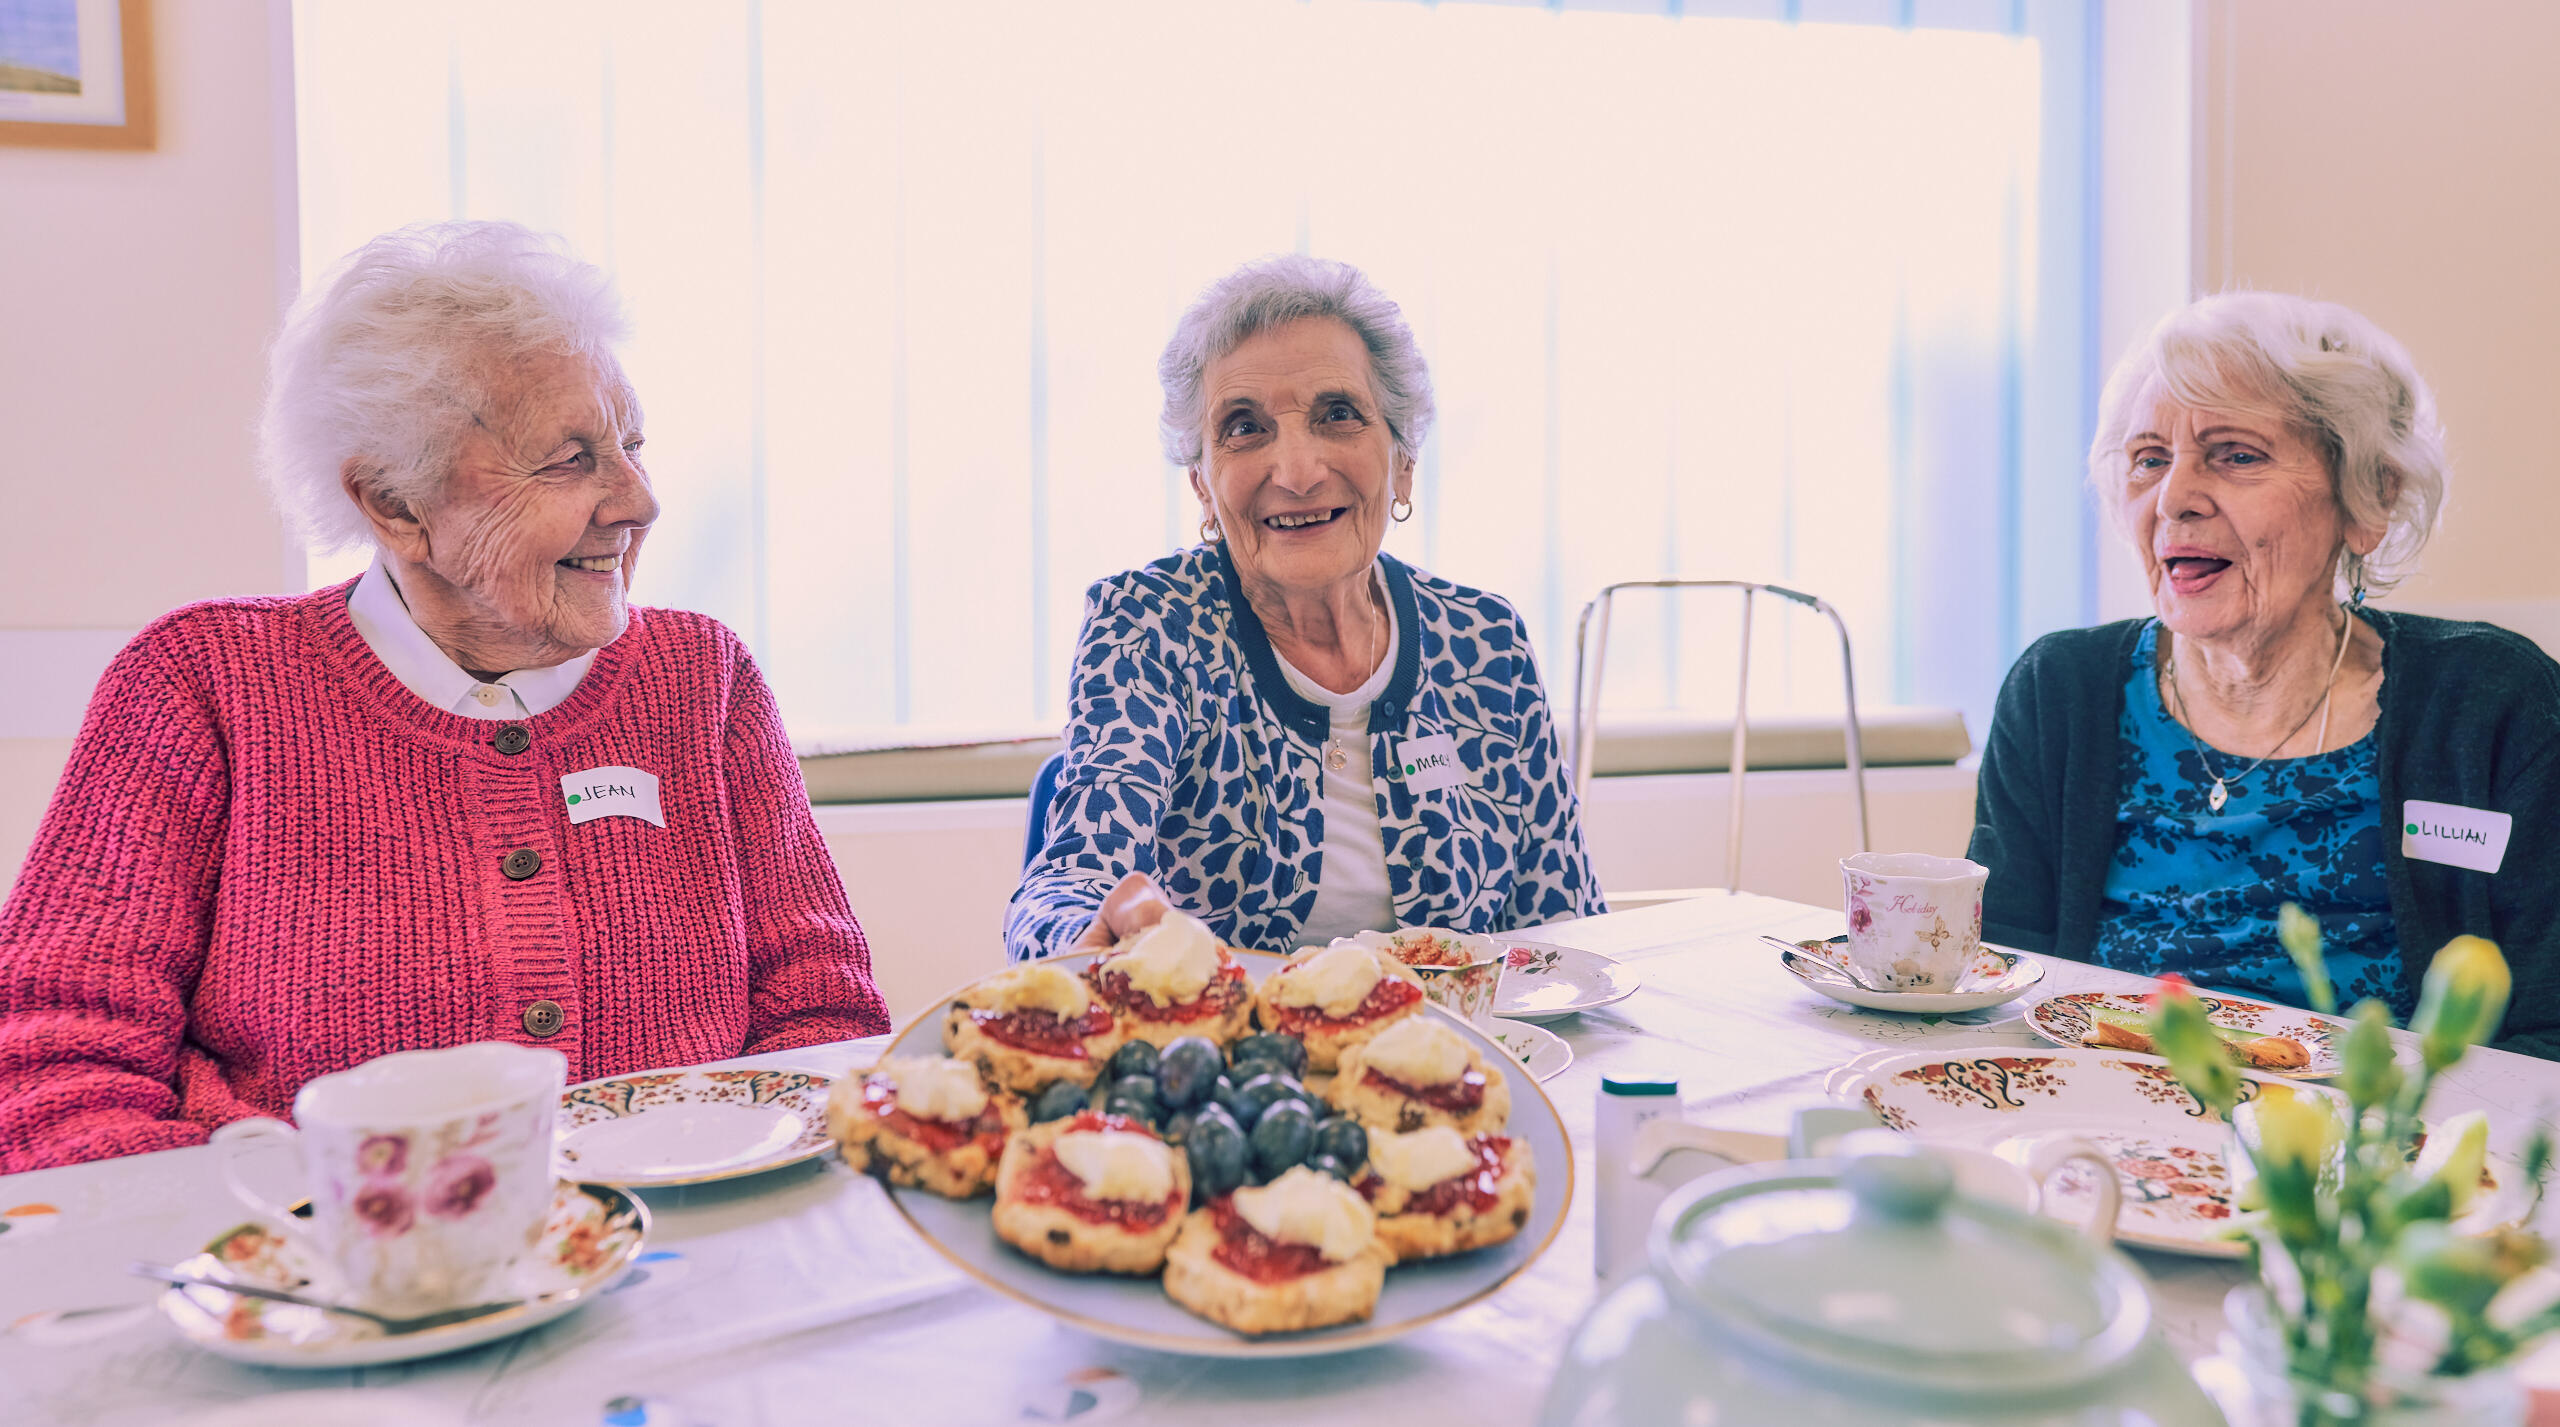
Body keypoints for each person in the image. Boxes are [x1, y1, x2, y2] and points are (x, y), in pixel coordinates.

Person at [0, 222, 889, 1171]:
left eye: (632, 445)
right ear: (395, 504)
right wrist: (280, 1233)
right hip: (320, 1252)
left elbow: (824, 1022)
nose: (639, 501)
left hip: (690, 1238)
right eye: (570, 458)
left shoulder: (702, 678)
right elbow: (55, 1067)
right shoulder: (203, 683)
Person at [1970, 291, 2560, 1055]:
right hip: (2099, 1109)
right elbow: (1995, 990)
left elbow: (2549, 1030)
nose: (2173, 500)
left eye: (2236, 455)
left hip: (2381, 1124)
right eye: (2150, 459)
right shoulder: (2059, 693)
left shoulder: (2491, 703)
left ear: (2369, 495)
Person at [1006, 255, 1601, 960]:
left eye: (1338, 415)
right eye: (1243, 428)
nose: (1296, 473)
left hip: (1461, 1033)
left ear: (1403, 461)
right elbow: (1070, 878)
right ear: (1202, 485)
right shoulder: (1148, 627)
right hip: (1227, 1029)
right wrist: (1084, 938)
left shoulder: (1486, 644)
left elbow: (1568, 931)